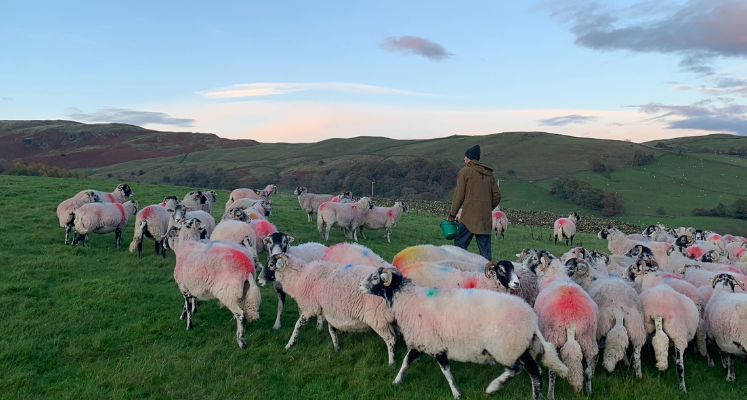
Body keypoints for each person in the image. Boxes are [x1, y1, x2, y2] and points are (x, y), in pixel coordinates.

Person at [447, 145, 501, 260]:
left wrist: (452, 215)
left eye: (465, 156)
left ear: (470, 158)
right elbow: (497, 195)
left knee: (459, 244)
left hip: (469, 218)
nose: (464, 159)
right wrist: (487, 207)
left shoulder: (465, 172)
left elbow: (459, 196)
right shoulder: (489, 174)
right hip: (485, 219)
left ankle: (463, 268)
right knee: (485, 253)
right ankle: (487, 274)